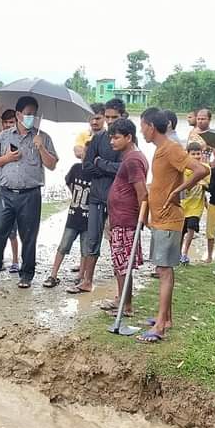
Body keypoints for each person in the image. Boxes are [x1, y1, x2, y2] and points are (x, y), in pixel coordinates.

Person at [135, 109, 209, 343]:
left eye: (141, 126)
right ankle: (165, 318)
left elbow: (201, 169)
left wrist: (178, 191)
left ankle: (160, 326)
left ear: (150, 126)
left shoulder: (171, 148)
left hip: (170, 218)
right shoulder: (160, 150)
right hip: (158, 217)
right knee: (161, 268)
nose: (141, 131)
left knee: (165, 271)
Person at [0, 96, 58, 288]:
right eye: (28, 114)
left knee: (29, 235)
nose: (31, 118)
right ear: (18, 114)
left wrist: (41, 149)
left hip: (30, 194)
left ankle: (26, 274)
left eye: (34, 115)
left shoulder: (43, 137)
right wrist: (6, 158)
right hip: (5, 192)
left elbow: (52, 165)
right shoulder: (4, 136)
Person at [75, 98, 126, 294]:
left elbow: (124, 168)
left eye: (115, 117)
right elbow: (86, 167)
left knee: (117, 240)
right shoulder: (98, 139)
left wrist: (100, 164)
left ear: (122, 116)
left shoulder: (128, 140)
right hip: (96, 195)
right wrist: (103, 167)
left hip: (118, 197)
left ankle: (120, 286)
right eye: (108, 117)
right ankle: (87, 280)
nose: (111, 121)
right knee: (92, 238)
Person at [105, 118, 148, 318]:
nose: (111, 142)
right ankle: (122, 301)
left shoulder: (133, 160)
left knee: (123, 264)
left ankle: (126, 306)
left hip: (126, 220)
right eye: (111, 138)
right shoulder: (129, 157)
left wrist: (142, 219)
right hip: (119, 218)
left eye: (116, 138)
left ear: (129, 137)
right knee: (121, 263)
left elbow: (142, 193)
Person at [43, 158, 91, 288]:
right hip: (73, 216)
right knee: (63, 245)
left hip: (88, 218)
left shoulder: (96, 172)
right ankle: (53, 274)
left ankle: (81, 276)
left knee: (85, 249)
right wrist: (75, 197)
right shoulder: (76, 168)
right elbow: (68, 181)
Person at [179, 141, 211, 264]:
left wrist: (204, 184)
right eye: (193, 154)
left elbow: (208, 185)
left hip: (196, 206)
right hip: (183, 205)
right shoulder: (183, 170)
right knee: (181, 231)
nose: (197, 156)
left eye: (198, 153)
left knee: (191, 227)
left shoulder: (206, 169)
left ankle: (185, 253)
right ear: (188, 155)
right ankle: (177, 253)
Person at [0, 109, 21, 272]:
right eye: (6, 122)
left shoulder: (19, 141)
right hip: (0, 190)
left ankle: (15, 260)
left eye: (11, 122)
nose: (8, 125)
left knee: (13, 231)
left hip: (16, 191)